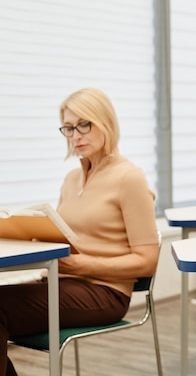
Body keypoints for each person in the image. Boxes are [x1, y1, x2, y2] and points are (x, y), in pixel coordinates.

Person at [0, 88, 160, 376]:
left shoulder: (129, 178)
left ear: (105, 122)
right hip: (62, 282)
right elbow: (65, 237)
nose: (76, 135)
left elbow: (148, 260)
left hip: (105, 292)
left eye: (84, 124)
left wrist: (82, 264)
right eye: (69, 128)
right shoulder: (71, 179)